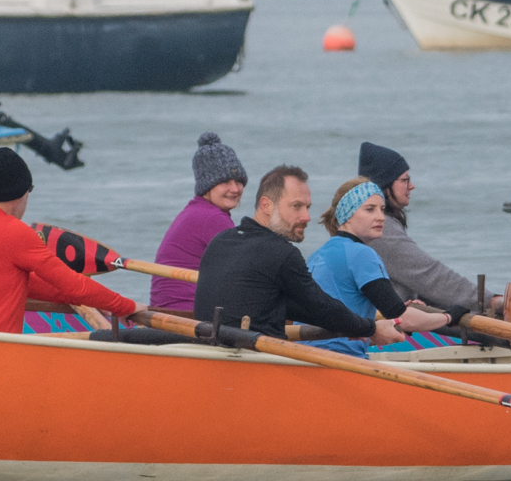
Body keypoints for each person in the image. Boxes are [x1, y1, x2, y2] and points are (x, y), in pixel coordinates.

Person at [194, 164, 448, 356]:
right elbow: (322, 308)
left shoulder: (221, 241)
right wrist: (370, 329)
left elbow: (304, 308)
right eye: (297, 206)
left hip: (205, 354)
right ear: (266, 205)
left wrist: (361, 327)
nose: (306, 216)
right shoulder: (281, 253)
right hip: (257, 366)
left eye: (307, 207)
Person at [0, 149, 146, 333]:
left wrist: (99, 301)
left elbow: (29, 284)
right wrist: (126, 306)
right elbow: (72, 284)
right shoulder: (14, 232)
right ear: (22, 193)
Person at [354, 142, 482, 313]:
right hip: (381, 323)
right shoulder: (380, 229)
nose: (411, 186)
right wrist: (489, 300)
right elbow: (429, 276)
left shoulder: (377, 223)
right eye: (404, 180)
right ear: (385, 185)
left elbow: (420, 282)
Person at [308, 178, 423, 343]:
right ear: (347, 214)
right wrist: (449, 317)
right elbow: (398, 314)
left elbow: (349, 309)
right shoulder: (361, 253)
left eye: (382, 209)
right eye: (370, 209)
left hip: (305, 349)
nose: (381, 217)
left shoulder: (316, 255)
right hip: (340, 354)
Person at [152, 132, 247, 313]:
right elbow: (247, 271)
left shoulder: (196, 211)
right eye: (225, 182)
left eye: (239, 181)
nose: (235, 189)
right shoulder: (213, 218)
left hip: (166, 310)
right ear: (208, 185)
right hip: (184, 314)